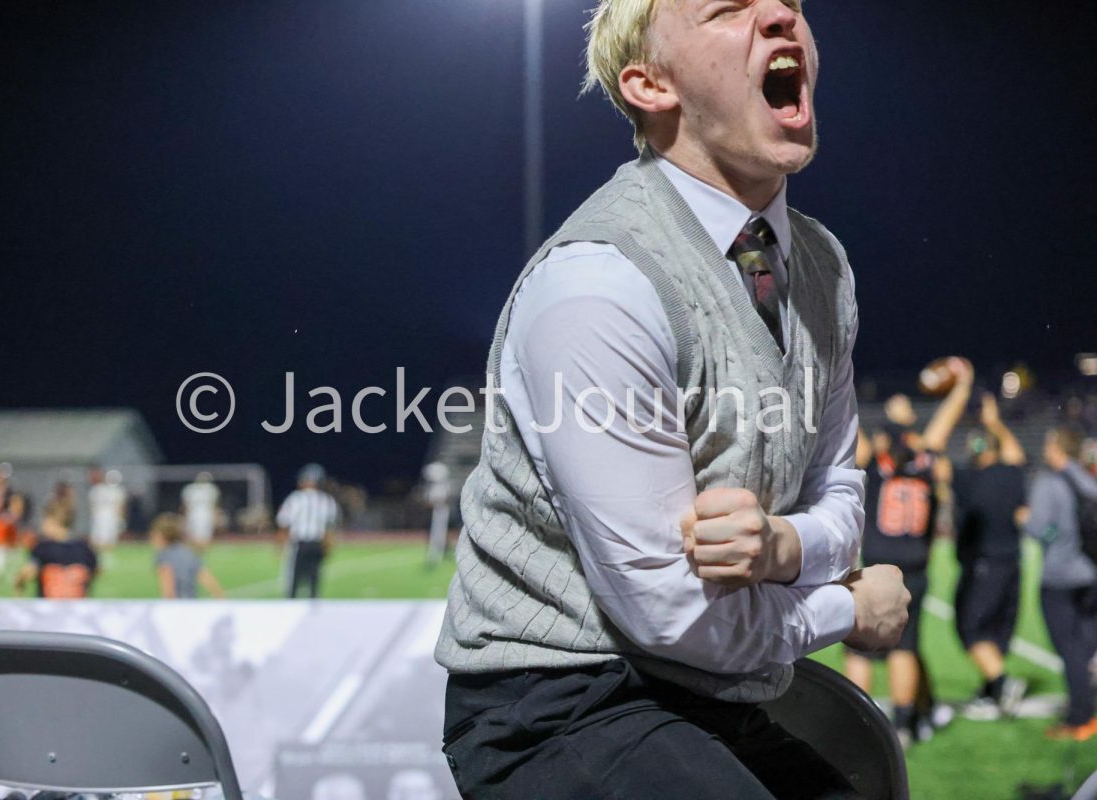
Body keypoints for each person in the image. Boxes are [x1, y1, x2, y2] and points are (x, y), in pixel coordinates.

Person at [435, 2, 911, 798]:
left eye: (790, 5)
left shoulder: (821, 265)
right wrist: (845, 610)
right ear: (650, 84)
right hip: (564, 701)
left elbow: (840, 491)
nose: (779, 18)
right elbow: (668, 611)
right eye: (730, 8)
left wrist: (785, 549)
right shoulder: (599, 282)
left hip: (719, 689)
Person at [846, 364, 972, 746]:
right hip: (914, 566)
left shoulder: (876, 460)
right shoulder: (926, 458)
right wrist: (962, 385)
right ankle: (901, 725)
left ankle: (855, 724)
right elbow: (945, 422)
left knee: (862, 649)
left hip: (876, 564)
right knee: (906, 647)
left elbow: (847, 421)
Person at [952, 394, 1029, 720]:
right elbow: (1017, 454)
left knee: (971, 627)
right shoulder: (1011, 474)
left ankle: (1002, 681)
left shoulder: (968, 478)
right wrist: (993, 421)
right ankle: (991, 688)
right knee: (996, 628)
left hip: (983, 563)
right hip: (1012, 562)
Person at [1023, 426, 1097, 741]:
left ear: (1056, 446)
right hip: (1090, 575)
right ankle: (1086, 707)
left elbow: (1040, 529)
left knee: (1070, 649)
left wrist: (1027, 520)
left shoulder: (1049, 482)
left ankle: (1081, 717)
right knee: (1085, 644)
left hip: (1060, 576)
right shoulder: (1087, 480)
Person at [276, 464, 339, 599]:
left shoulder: (295, 498)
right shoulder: (327, 500)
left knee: (293, 584)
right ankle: (313, 612)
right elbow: (329, 531)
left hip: (299, 544)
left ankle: (291, 610)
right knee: (314, 582)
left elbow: (283, 523)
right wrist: (327, 548)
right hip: (317, 545)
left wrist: (280, 547)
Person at [13, 501, 98, 599]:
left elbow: (29, 571)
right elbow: (95, 572)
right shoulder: (85, 549)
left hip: (48, 609)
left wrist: (18, 582)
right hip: (77, 609)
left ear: (52, 521)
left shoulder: (43, 548)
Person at [149, 512, 225, 599]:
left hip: (177, 607)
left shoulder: (164, 556)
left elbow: (169, 591)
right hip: (191, 606)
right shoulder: (189, 552)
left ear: (160, 535)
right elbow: (211, 583)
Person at [87, 468, 127, 564]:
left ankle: (102, 558)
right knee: (102, 540)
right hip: (105, 517)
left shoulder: (97, 490)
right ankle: (101, 558)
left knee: (104, 539)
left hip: (104, 517)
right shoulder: (99, 490)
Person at [181, 472, 221, 552]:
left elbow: (214, 505)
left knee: (204, 534)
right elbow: (186, 505)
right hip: (194, 514)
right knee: (193, 534)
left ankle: (200, 550)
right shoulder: (190, 489)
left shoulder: (211, 489)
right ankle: (195, 550)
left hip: (204, 514)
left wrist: (215, 516)